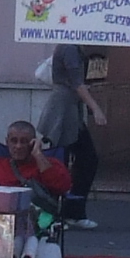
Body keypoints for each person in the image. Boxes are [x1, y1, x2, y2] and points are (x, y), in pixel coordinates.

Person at [39, 44, 106, 228]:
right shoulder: (69, 47)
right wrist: (95, 108)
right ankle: (57, 214)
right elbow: (77, 83)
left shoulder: (75, 47)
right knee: (61, 162)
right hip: (63, 110)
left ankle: (72, 211)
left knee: (84, 159)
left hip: (71, 110)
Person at [0, 122, 72, 201]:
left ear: (33, 142)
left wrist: (38, 154)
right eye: (14, 141)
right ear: (7, 142)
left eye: (24, 141)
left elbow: (63, 187)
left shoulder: (50, 164)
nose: (18, 146)